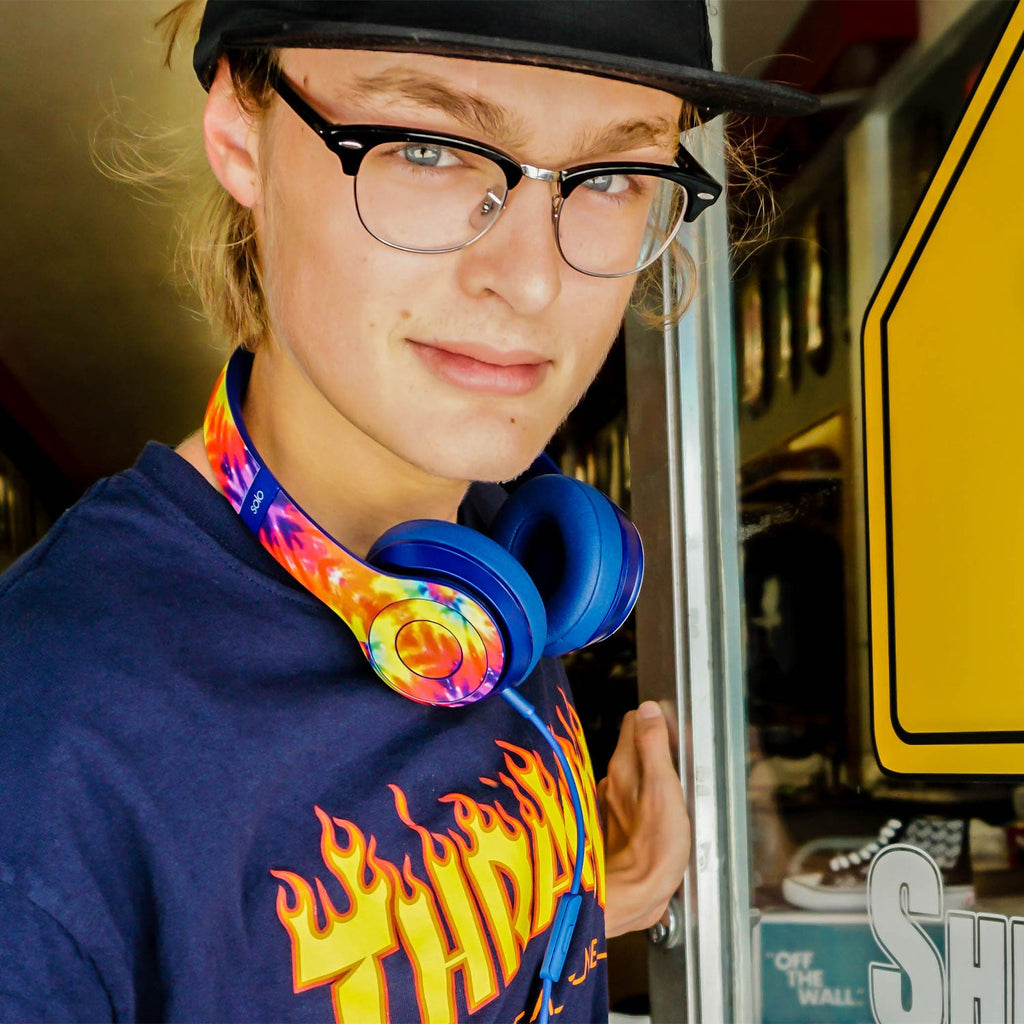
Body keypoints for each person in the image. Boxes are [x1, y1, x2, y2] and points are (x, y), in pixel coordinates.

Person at [0, 3, 812, 1021]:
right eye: (429, 149)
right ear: (242, 135)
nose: (532, 279)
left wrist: (578, 904)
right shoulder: (45, 760)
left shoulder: (494, 575)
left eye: (610, 176)